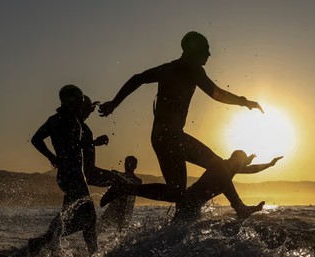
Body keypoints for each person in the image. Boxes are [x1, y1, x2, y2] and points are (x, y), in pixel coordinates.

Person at [99, 31, 264, 219]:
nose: (209, 54)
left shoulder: (169, 68)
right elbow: (216, 93)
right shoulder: (192, 70)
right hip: (172, 136)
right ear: (193, 50)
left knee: (177, 192)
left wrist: (114, 103)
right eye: (205, 50)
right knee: (219, 166)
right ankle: (239, 207)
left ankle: (125, 188)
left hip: (160, 137)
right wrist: (245, 102)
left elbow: (138, 78)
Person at [28, 85, 97, 255]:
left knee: (67, 216)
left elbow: (36, 139)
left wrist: (52, 157)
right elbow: (72, 145)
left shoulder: (55, 119)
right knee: (89, 218)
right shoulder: (69, 121)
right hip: (74, 174)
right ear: (71, 102)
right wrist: (93, 143)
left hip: (65, 174)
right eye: (79, 102)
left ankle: (42, 241)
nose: (81, 106)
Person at [173, 151, 282, 222]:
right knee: (176, 229)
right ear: (234, 160)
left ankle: (240, 208)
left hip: (195, 206)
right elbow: (248, 167)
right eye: (242, 162)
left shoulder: (230, 169)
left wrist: (270, 164)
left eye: (244, 163)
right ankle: (240, 208)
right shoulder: (221, 166)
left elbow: (252, 169)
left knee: (179, 232)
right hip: (188, 201)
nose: (243, 166)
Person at [100, 156, 142, 231]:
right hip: (112, 209)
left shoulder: (137, 181)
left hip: (125, 211)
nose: (127, 166)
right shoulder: (117, 176)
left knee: (121, 233)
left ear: (135, 166)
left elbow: (132, 185)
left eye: (130, 164)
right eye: (126, 164)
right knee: (98, 228)